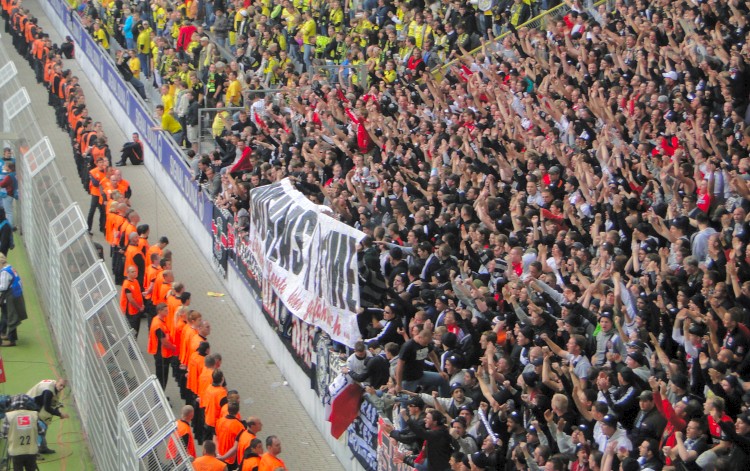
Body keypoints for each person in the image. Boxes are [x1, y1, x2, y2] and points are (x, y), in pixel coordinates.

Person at [27, 379, 69, 454]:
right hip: (31, 402)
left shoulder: (54, 387)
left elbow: (52, 402)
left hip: (36, 401)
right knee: (41, 424)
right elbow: (47, 407)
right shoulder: (49, 392)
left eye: (64, 386)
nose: (62, 388)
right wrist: (60, 414)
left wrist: (58, 409)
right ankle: (35, 450)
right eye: (61, 385)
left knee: (42, 425)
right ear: (57, 382)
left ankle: (42, 447)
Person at [0, 253, 26, 347]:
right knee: (7, 316)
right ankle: (4, 334)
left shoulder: (4, 272)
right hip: (16, 295)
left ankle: (11, 340)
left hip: (10, 298)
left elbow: (3, 287)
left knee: (10, 317)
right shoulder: (10, 268)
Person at [148, 303, 176, 389]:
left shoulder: (157, 320)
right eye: (165, 310)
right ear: (159, 311)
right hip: (162, 355)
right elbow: (164, 342)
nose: (167, 312)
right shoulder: (158, 325)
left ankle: (160, 396)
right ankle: (160, 398)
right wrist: (174, 348)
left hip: (160, 353)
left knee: (161, 377)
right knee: (162, 379)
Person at [120, 265, 144, 337]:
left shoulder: (135, 281)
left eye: (135, 271)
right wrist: (139, 307)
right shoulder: (127, 284)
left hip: (137, 310)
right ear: (128, 273)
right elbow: (131, 300)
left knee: (136, 331)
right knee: (133, 332)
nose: (135, 273)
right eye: (132, 272)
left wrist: (142, 304)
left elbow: (138, 294)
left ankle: (133, 346)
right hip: (131, 312)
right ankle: (131, 348)